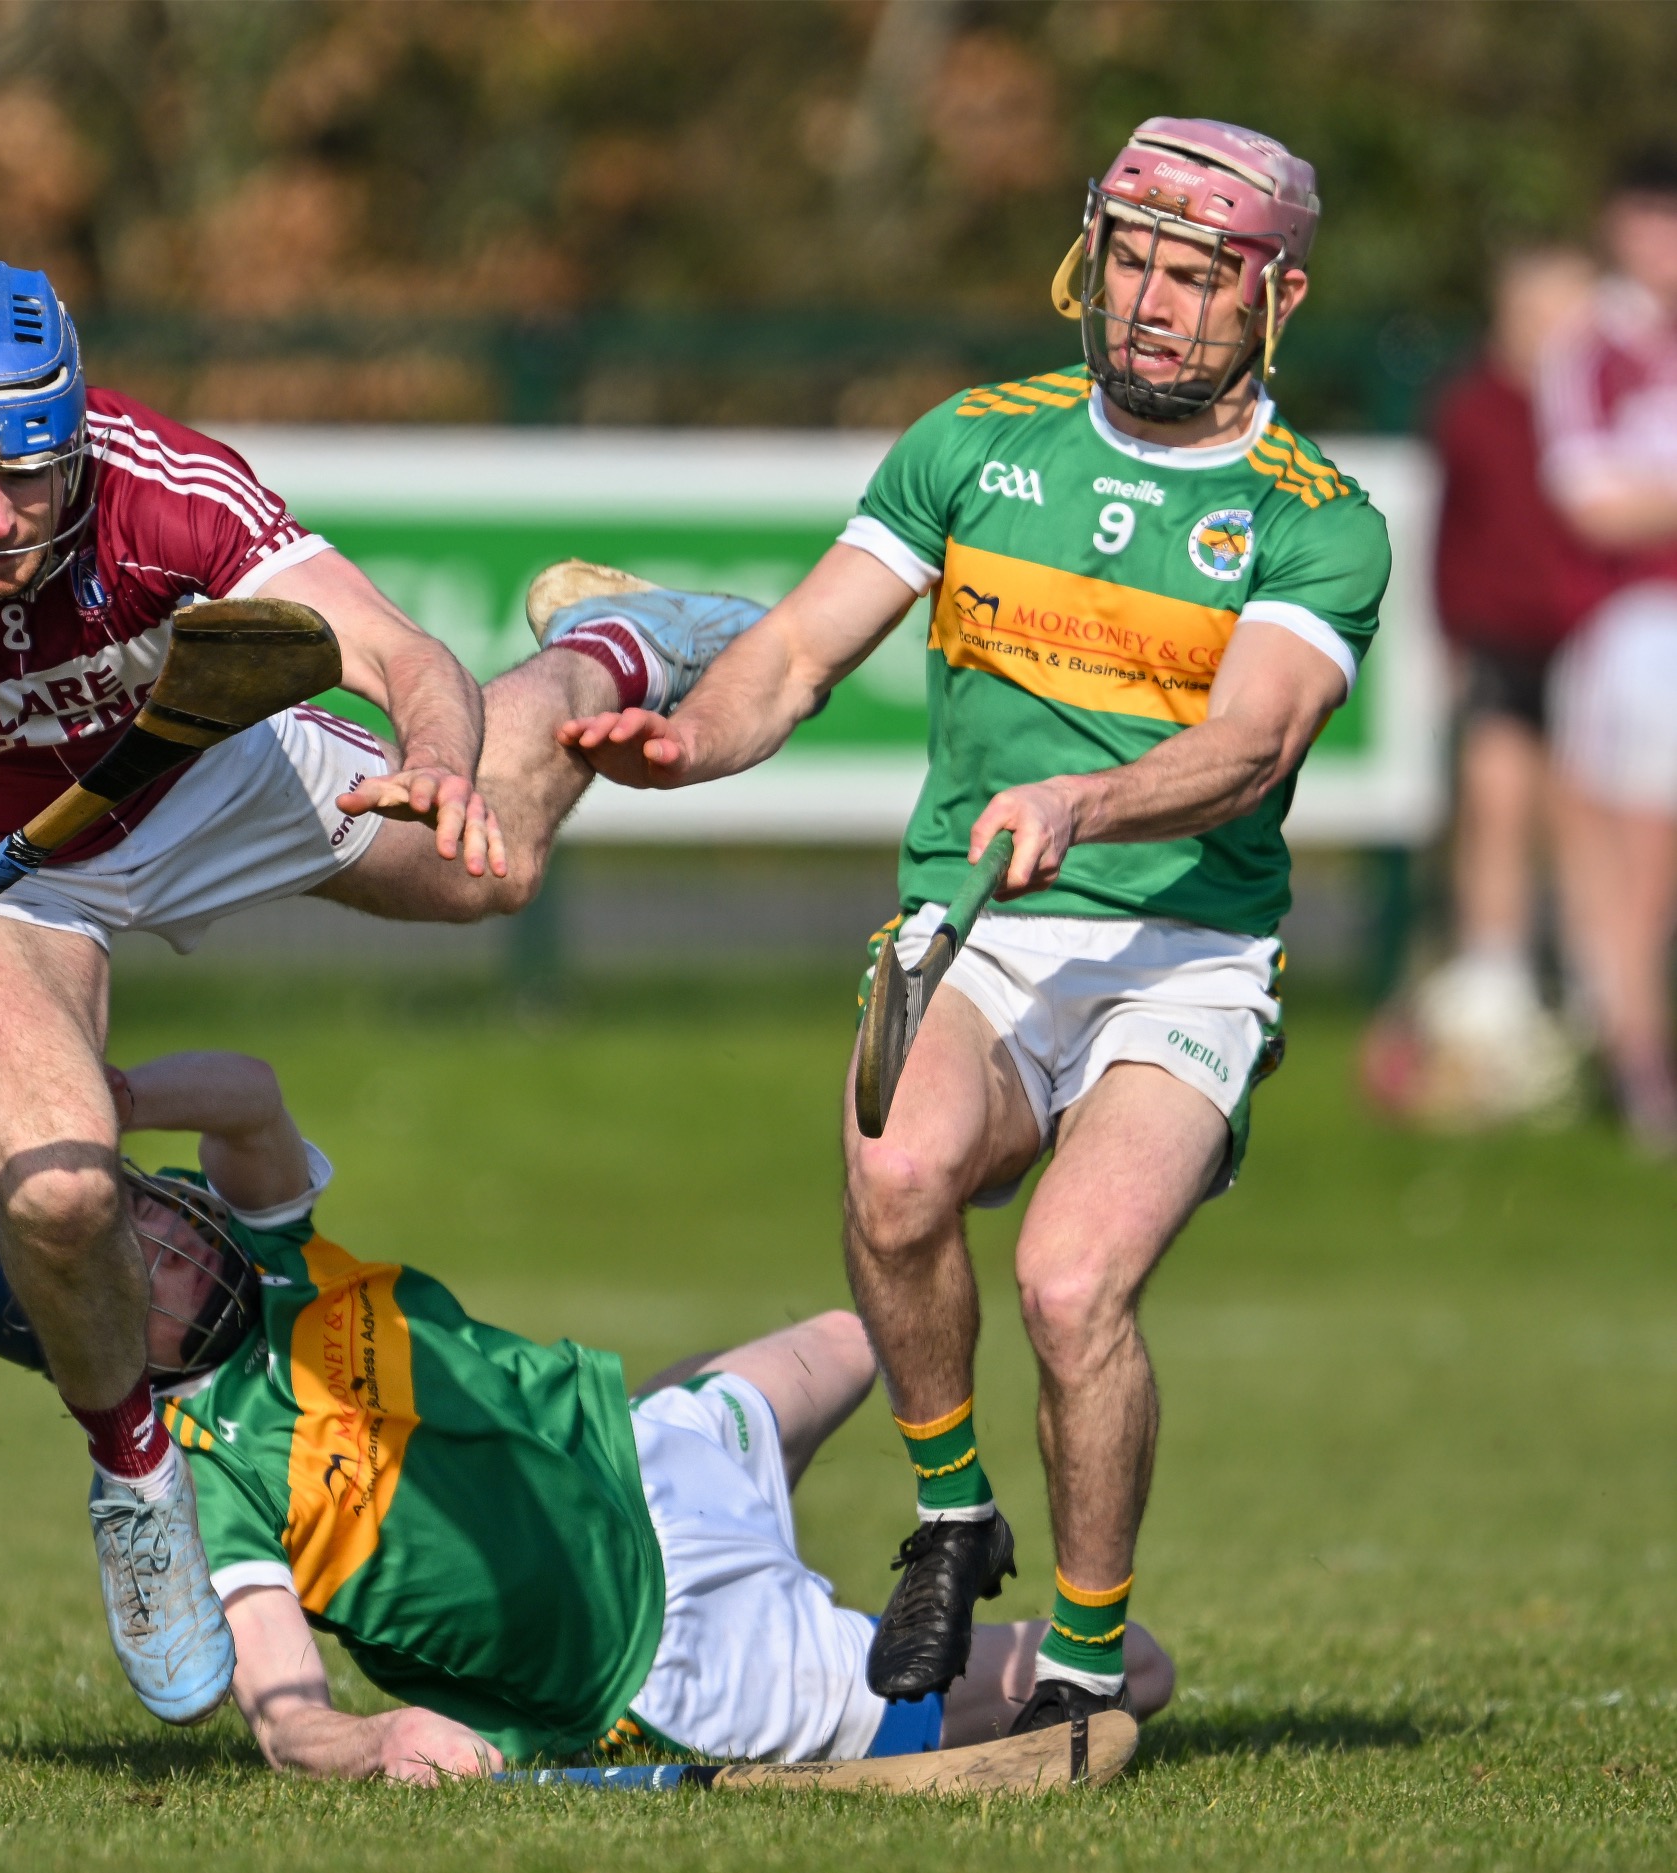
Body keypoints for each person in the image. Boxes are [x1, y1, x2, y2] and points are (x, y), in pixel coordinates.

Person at [0, 261, 757, 1724]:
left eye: (26, 477)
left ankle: (609, 646)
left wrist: (438, 761)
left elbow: (395, 650)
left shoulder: (164, 488)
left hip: (186, 778)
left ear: (76, 442)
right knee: (61, 1187)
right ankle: (137, 1477)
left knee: (492, 868)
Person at [556, 120, 1389, 1733]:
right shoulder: (972, 445)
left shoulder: (1316, 516)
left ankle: (1081, 1660)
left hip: (1184, 955)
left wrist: (1087, 801)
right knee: (895, 1173)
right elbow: (794, 655)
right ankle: (953, 1513)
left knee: (1071, 1285)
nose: (1150, 303)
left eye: (1195, 276)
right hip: (981, 929)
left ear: (1275, 298)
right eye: (1131, 260)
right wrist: (685, 741)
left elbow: (1251, 747)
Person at [0, 1048, 1174, 1775]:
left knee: (875, 1335)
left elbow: (249, 1098)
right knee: (1131, 1668)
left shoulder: (276, 1261)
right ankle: (843, 1656)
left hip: (647, 1454)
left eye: (142, 1202)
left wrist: (99, 1100)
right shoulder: (203, 1482)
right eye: (129, 1253)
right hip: (672, 1653)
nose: (166, 1230)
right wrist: (376, 1741)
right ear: (93, 1338)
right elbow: (288, 1719)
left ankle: (892, 1518)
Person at [1386, 247, 1600, 1126]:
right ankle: (1495, 987)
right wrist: (1448, 639)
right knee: (1495, 808)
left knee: (1583, 823)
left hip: (1591, 643)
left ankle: (1594, 993)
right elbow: (1449, 534)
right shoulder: (1469, 407)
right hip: (1500, 640)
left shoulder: (1604, 399)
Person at [1535, 148, 1677, 1152]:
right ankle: (1638, 1062)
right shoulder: (1591, 347)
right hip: (1639, 628)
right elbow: (1592, 503)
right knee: (1638, 857)